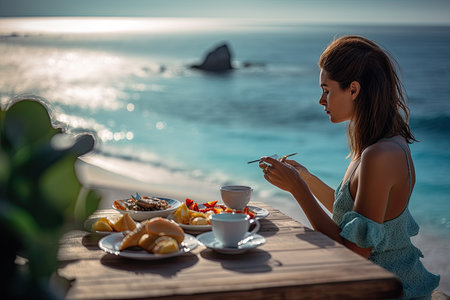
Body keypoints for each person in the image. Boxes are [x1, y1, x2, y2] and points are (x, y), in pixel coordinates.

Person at [259, 35, 440, 299]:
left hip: (387, 290)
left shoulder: (380, 155)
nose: (321, 100)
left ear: (353, 90)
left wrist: (297, 188)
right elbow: (354, 217)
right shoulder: (382, 143)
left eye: (327, 90)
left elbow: (353, 251)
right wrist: (306, 179)